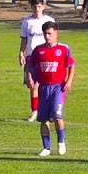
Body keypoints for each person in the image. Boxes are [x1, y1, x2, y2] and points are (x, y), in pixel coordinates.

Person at [27, 21, 74, 157]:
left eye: (49, 34)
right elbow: (30, 65)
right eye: (45, 34)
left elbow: (71, 65)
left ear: (56, 33)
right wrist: (30, 77)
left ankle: (61, 142)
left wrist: (69, 81)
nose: (47, 36)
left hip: (58, 87)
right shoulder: (38, 50)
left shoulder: (64, 49)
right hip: (43, 88)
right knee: (44, 119)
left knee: (57, 116)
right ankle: (46, 147)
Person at [19, 0, 55, 122]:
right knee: (33, 85)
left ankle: (49, 111)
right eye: (34, 7)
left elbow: (54, 38)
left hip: (46, 57)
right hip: (31, 57)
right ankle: (35, 111)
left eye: (39, 7)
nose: (37, 9)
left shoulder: (49, 20)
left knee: (47, 85)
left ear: (43, 7)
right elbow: (24, 39)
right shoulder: (27, 22)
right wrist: (21, 53)